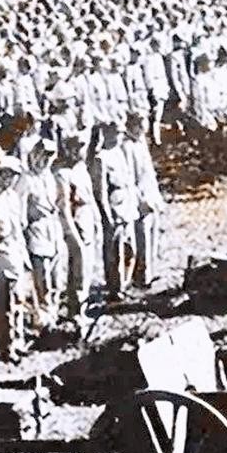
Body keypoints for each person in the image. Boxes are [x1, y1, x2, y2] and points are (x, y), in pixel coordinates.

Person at [52, 134, 100, 330]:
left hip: (87, 219)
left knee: (87, 267)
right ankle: (75, 312)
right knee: (77, 269)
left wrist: (97, 221)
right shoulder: (62, 174)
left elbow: (91, 198)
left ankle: (83, 308)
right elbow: (64, 207)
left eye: (81, 147)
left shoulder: (82, 169)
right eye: (75, 147)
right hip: (75, 222)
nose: (79, 151)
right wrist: (72, 235)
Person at [0, 157, 29, 361]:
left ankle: (18, 339)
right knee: (5, 303)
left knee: (18, 299)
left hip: (15, 251)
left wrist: (24, 255)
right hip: (0, 255)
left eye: (12, 175)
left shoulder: (13, 197)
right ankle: (6, 345)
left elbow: (18, 228)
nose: (8, 179)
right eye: (5, 174)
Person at [89, 119, 139, 298]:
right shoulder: (101, 158)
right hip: (114, 208)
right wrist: (107, 215)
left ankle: (126, 283)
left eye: (120, 134)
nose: (118, 137)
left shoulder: (120, 152)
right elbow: (100, 191)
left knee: (130, 249)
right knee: (115, 252)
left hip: (127, 206)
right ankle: (116, 288)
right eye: (116, 133)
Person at [19, 140, 64, 330]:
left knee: (56, 276)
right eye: (43, 155)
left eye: (49, 157)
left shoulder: (49, 177)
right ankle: (43, 318)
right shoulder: (26, 180)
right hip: (36, 231)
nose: (45, 160)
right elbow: (20, 211)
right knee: (42, 276)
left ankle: (54, 314)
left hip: (52, 229)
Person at [122, 113, 165, 288]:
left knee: (153, 235)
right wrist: (140, 200)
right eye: (140, 125)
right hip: (139, 199)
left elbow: (149, 173)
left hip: (151, 194)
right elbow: (130, 177)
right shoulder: (127, 146)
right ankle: (141, 276)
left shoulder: (141, 143)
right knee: (142, 238)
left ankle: (151, 271)